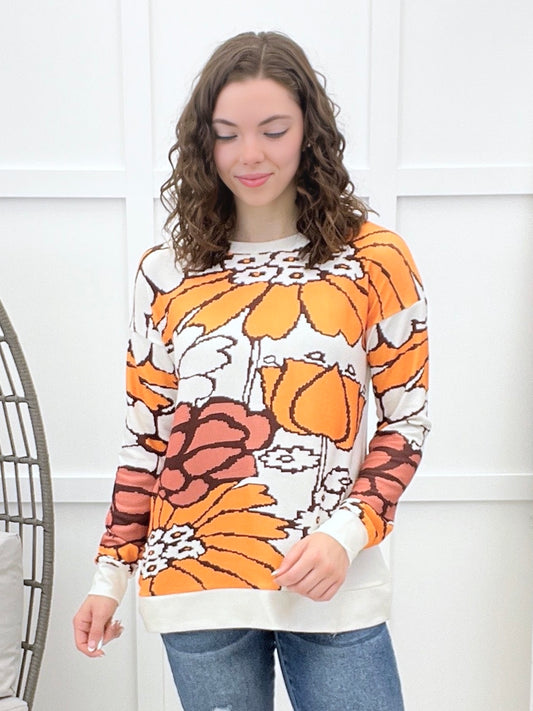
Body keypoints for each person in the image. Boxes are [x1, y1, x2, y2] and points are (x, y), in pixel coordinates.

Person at [73, 30, 430, 711]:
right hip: (195, 586)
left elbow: (406, 423)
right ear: (201, 142)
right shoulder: (165, 271)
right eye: (226, 134)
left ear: (310, 131)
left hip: (331, 582)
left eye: (273, 130)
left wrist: (344, 535)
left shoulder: (374, 259)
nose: (250, 155)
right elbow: (146, 438)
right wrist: (107, 578)